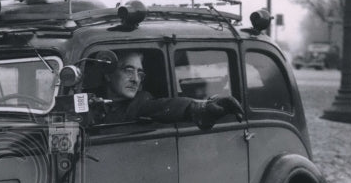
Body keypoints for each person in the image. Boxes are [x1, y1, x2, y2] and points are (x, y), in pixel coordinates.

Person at [92, 50, 244, 129]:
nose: (136, 79)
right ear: (108, 75)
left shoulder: (140, 102)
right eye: (128, 70)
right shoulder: (88, 100)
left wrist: (202, 107)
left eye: (140, 73)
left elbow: (164, 106)